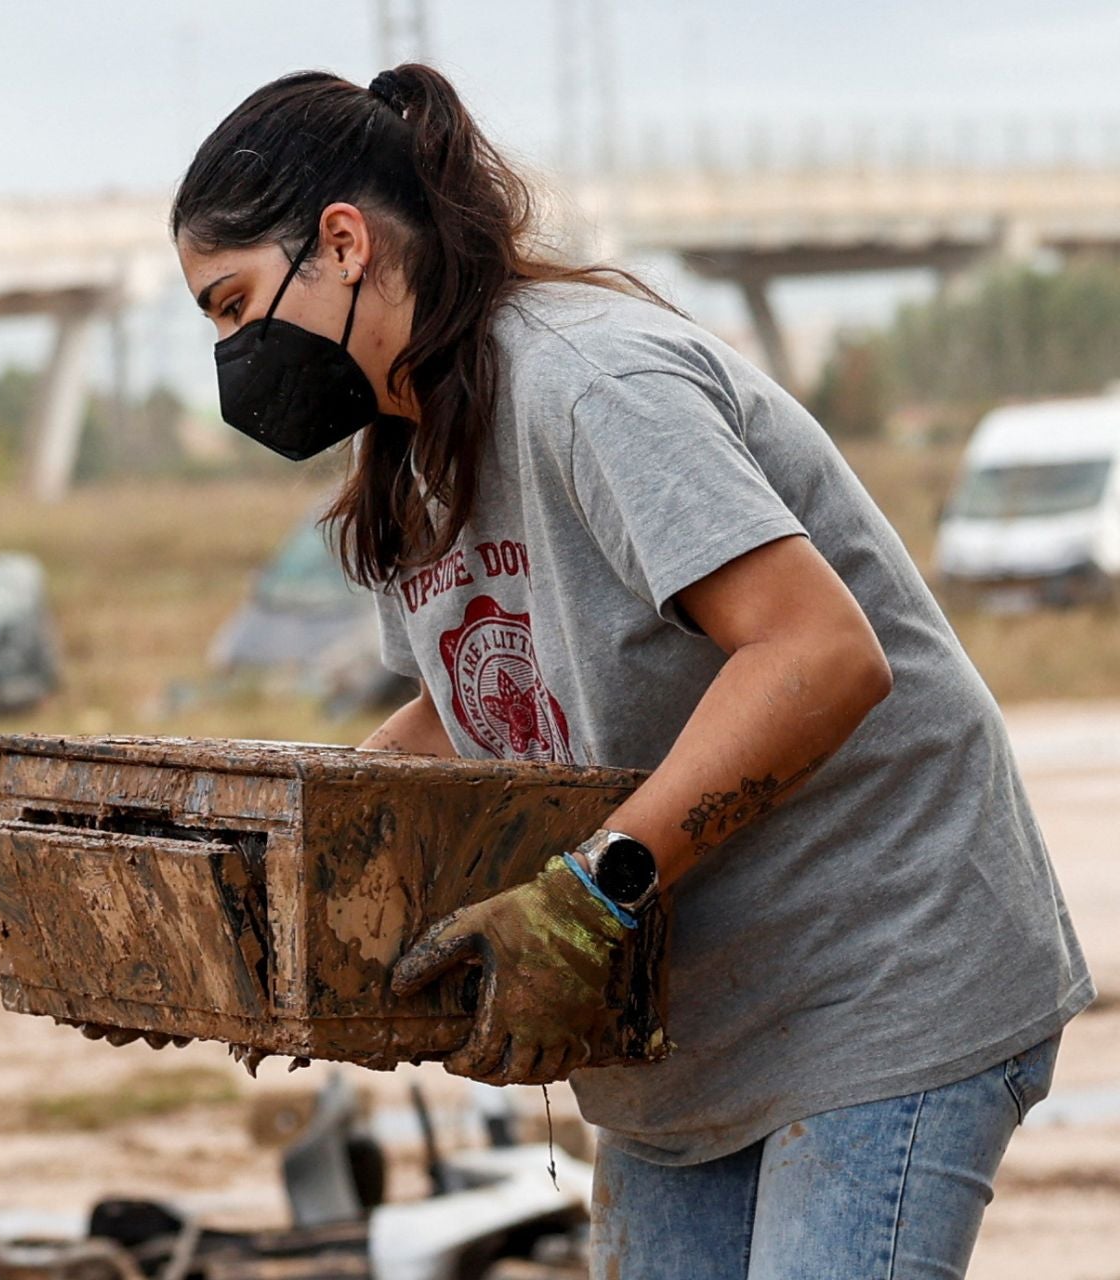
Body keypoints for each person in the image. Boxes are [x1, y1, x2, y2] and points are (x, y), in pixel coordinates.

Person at [170, 64, 1092, 1279]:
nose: (233, 352)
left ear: (342, 243)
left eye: (235, 304)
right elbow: (482, 706)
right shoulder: (410, 452)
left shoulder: (587, 384)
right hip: (685, 1022)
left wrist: (591, 892)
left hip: (884, 965)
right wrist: (296, 834)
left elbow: (818, 652)